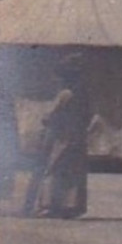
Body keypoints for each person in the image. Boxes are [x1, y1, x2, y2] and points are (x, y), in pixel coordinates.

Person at [36, 55, 91, 219]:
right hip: (78, 135)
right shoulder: (83, 94)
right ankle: (72, 206)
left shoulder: (65, 94)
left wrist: (46, 122)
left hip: (62, 137)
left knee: (53, 169)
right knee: (74, 171)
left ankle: (50, 205)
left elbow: (50, 115)